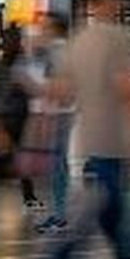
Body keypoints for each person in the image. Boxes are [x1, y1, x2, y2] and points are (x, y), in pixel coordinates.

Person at [31, 0, 130, 259]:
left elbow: (58, 92)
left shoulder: (77, 40)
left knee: (115, 217)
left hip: (85, 145)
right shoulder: (120, 38)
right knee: (93, 219)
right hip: (112, 145)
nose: (121, 3)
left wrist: (43, 129)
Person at [32, 13, 74, 235]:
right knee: (60, 164)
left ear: (54, 29)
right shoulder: (69, 50)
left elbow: (53, 88)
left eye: (45, 27)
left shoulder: (54, 52)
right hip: (67, 112)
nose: (41, 30)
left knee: (57, 165)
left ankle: (60, 216)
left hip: (58, 114)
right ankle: (60, 212)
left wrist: (45, 117)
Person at [0, 26, 41, 208]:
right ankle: (28, 195)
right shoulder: (21, 62)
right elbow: (32, 87)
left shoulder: (2, 63)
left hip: (8, 114)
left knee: (20, 151)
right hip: (21, 113)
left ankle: (27, 192)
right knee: (24, 153)